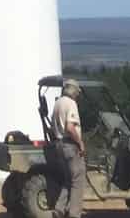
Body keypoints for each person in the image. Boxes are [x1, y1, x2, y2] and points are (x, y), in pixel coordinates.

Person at [49, 80, 87, 218]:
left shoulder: (58, 103)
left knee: (68, 180)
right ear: (73, 91)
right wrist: (80, 142)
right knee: (77, 181)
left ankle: (59, 210)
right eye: (77, 92)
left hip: (59, 145)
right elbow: (70, 127)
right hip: (70, 145)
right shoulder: (71, 104)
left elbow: (53, 126)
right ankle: (74, 214)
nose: (77, 95)